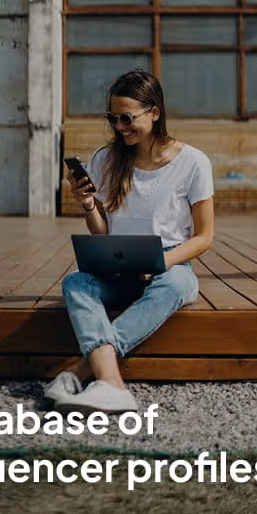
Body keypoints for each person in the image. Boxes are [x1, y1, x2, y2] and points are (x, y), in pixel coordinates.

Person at [45, 69, 214, 413]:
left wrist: (157, 264)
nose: (119, 127)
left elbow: (204, 237)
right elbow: (103, 233)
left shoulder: (193, 163)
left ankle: (85, 371)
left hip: (169, 263)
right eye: (113, 118)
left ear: (154, 113)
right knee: (77, 282)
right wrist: (88, 204)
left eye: (126, 118)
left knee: (177, 285)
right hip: (119, 264)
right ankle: (112, 385)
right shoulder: (106, 159)